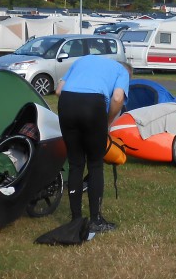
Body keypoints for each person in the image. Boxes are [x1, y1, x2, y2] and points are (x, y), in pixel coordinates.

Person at [55, 56, 131, 234]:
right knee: (95, 165)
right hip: (93, 105)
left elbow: (59, 90)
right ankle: (95, 220)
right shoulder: (123, 71)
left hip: (66, 103)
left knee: (75, 163)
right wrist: (107, 121)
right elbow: (118, 98)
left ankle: (76, 219)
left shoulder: (82, 61)